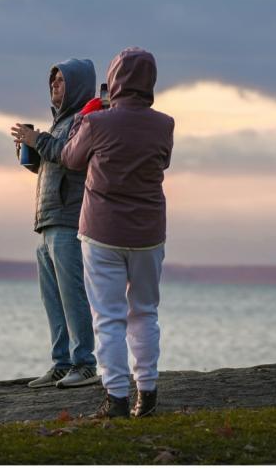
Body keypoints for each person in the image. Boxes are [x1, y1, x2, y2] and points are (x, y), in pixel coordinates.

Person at [61, 47, 174, 418]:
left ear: (115, 82)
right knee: (145, 313)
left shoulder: (97, 123)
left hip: (102, 231)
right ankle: (149, 392)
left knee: (108, 317)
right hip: (148, 233)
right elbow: (163, 162)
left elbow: (71, 159)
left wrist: (85, 116)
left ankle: (117, 397)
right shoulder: (165, 124)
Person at [10, 58, 100, 389]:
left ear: (76, 85)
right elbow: (55, 165)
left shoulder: (84, 121)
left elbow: (72, 160)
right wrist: (30, 155)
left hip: (68, 221)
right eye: (52, 82)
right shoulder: (59, 124)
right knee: (53, 298)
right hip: (46, 221)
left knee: (72, 293)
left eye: (60, 81)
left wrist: (39, 141)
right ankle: (62, 363)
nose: (54, 87)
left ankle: (85, 364)